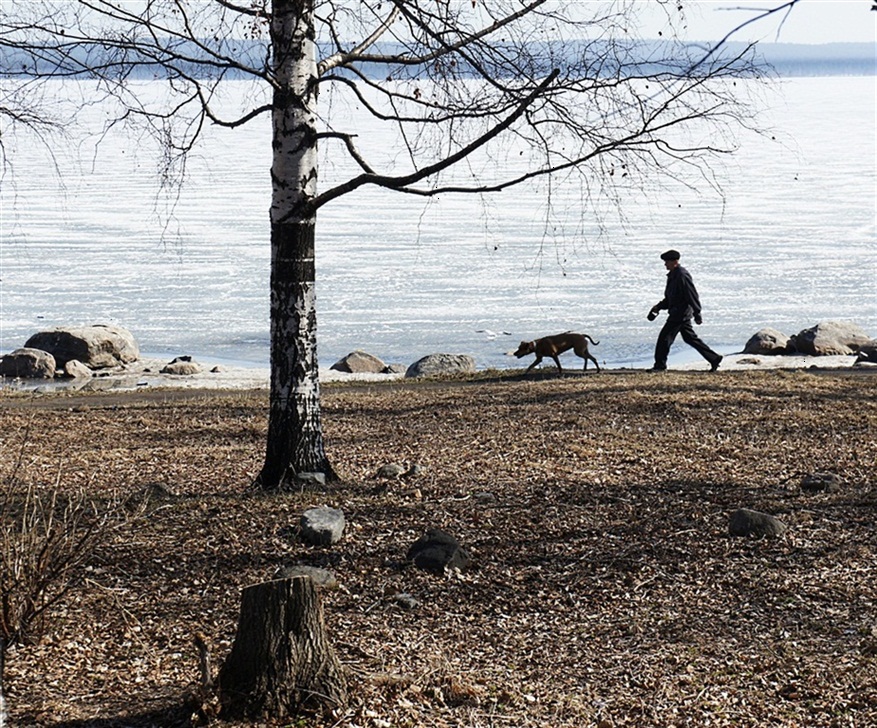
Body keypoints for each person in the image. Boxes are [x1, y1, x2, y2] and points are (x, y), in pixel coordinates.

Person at [647, 249, 723, 372]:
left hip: (680, 314)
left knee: (664, 339)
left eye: (667, 262)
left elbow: (692, 295)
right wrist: (658, 307)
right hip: (678, 313)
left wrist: (697, 313)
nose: (665, 264)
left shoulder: (682, 275)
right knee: (690, 338)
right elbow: (671, 298)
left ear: (675, 261)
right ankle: (714, 358)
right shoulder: (673, 275)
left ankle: (660, 366)